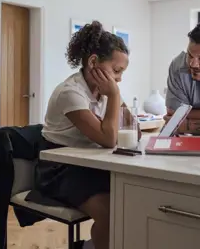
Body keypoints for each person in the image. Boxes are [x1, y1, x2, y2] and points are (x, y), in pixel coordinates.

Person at [41, 20, 138, 249]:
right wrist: (114, 97)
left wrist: (113, 97)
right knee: (110, 213)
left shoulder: (104, 92)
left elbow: (134, 130)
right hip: (60, 169)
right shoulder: (70, 93)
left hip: (92, 164)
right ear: (93, 62)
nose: (119, 79)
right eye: (116, 71)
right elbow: (109, 139)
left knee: (137, 199)